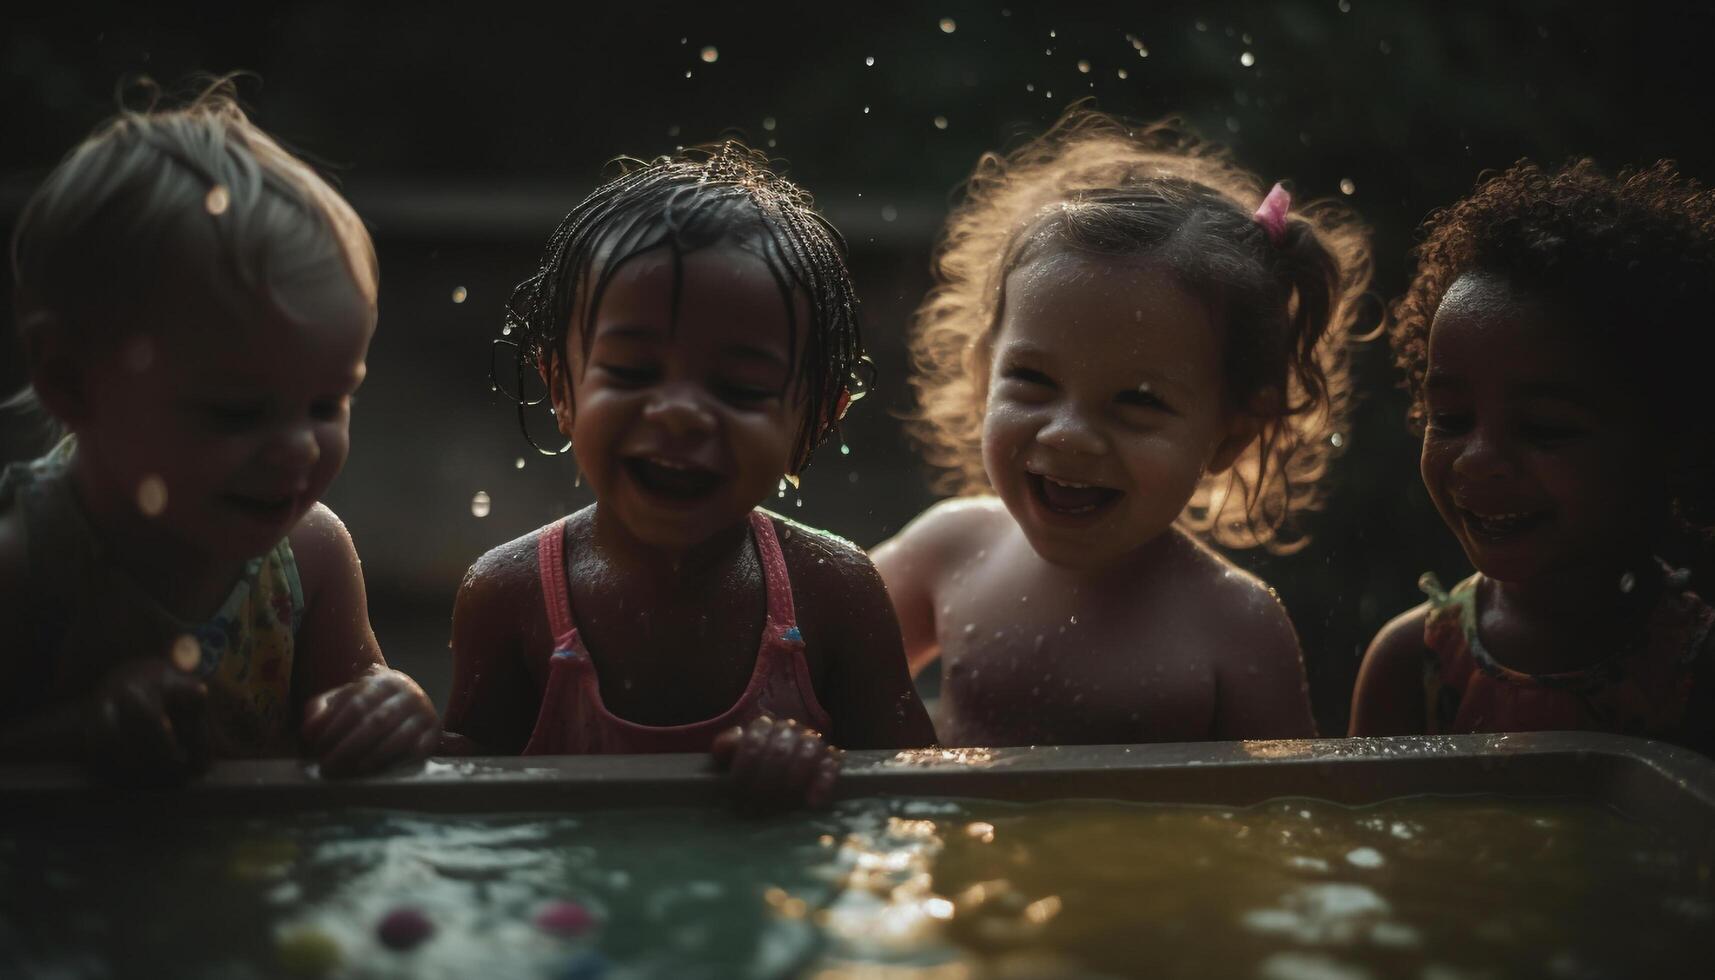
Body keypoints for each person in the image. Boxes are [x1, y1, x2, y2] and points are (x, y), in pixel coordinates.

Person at [443, 143, 936, 808]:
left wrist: (818, 766)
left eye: (739, 387)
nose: (677, 414)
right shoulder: (509, 594)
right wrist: (396, 735)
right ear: (561, 387)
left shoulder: (834, 593)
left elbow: (920, 798)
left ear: (815, 419)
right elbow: (460, 805)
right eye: (632, 373)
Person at [875, 108, 1371, 746]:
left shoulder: (1233, 625)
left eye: (1137, 401)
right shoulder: (950, 552)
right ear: (983, 373)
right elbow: (802, 659)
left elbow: (1288, 820)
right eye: (1033, 380)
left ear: (1230, 436)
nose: (1068, 434)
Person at [0, 81, 439, 781]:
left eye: (326, 405)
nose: (299, 447)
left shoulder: (310, 561)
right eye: (237, 413)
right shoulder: (27, 570)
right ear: (72, 386)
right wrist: (79, 733)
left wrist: (386, 705)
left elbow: (353, 697)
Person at [1350, 159, 1715, 754]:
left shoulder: (1699, 677)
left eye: (1544, 428)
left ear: (1673, 438)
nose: (1475, 460)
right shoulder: (1409, 666)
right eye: (1451, 420)